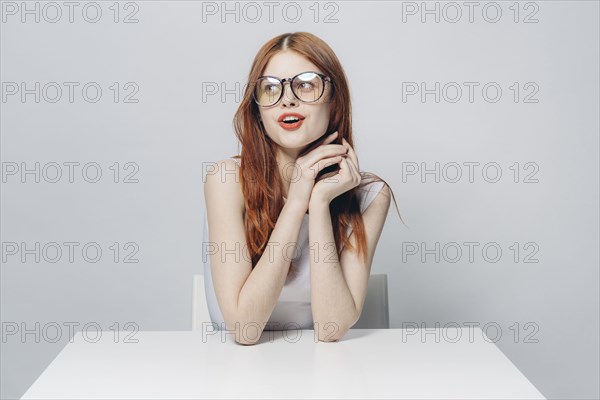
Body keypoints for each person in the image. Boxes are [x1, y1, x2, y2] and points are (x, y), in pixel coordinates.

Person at [203, 32, 403, 345]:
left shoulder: (371, 195)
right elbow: (244, 330)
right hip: (240, 368)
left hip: (327, 367)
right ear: (258, 110)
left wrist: (319, 202)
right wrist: (296, 203)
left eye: (306, 83)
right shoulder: (227, 180)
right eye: (270, 87)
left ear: (334, 99)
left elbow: (331, 330)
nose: (287, 99)